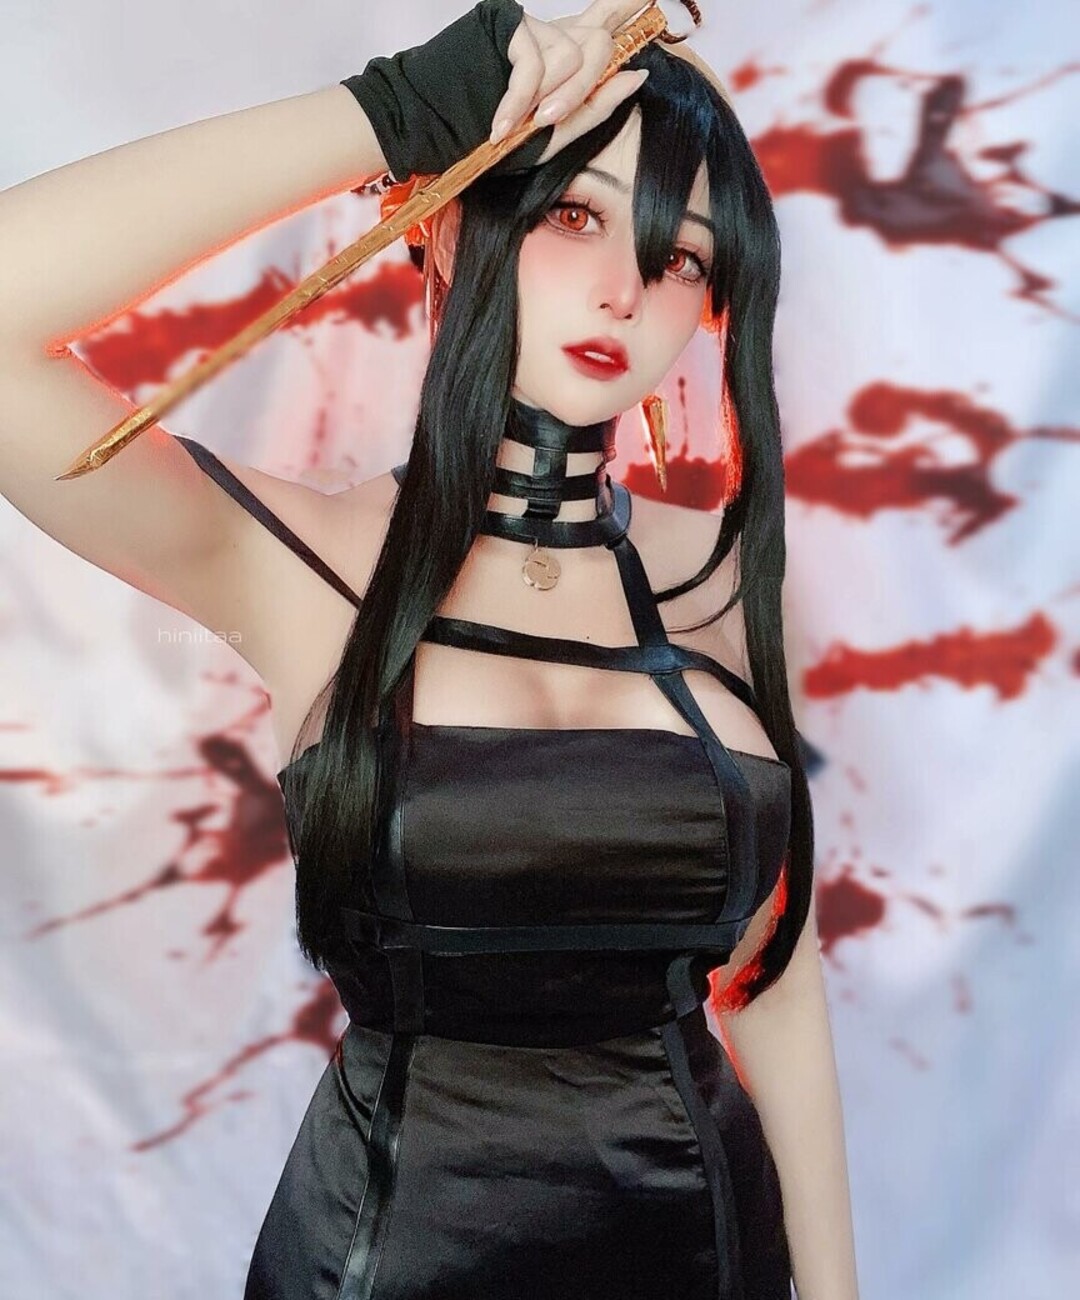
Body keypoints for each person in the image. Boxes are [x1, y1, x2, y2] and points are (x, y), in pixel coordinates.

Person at [0, 1, 859, 1295]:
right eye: (570, 215)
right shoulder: (293, 564)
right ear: (448, 221)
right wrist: (397, 109)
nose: (624, 290)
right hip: (394, 1260)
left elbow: (774, 979)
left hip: (709, 1249)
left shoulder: (727, 575)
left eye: (678, 254)